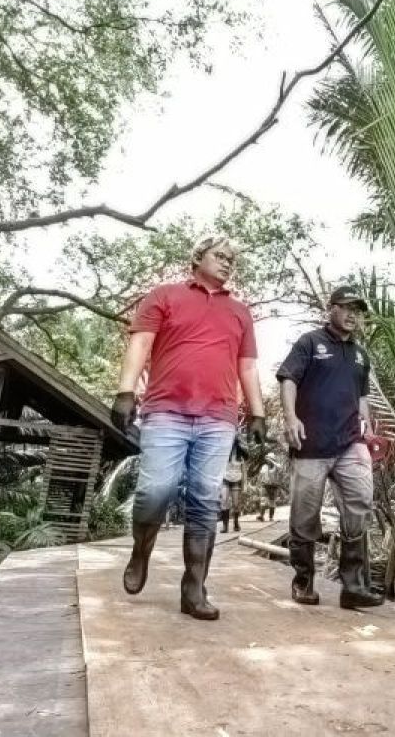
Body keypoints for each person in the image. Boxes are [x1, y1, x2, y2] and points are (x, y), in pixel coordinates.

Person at [109, 235, 267, 621]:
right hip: (166, 411)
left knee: (205, 499)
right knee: (156, 489)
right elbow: (141, 344)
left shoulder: (240, 312)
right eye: (220, 255)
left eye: (232, 259)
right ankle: (141, 550)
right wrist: (126, 391)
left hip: (218, 418)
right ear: (198, 258)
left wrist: (258, 413)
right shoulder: (164, 296)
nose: (227, 263)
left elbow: (247, 367)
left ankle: (194, 587)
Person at [276, 285, 384, 609]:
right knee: (305, 515)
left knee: (360, 502)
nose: (354, 315)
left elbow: (361, 397)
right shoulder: (310, 342)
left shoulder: (360, 354)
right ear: (332, 308)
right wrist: (291, 418)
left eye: (358, 310)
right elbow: (288, 379)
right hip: (311, 444)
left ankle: (353, 587)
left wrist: (367, 430)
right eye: (347, 307)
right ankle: (304, 581)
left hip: (351, 443)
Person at [220, 439, 246, 533]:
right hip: (225, 479)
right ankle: (225, 526)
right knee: (224, 501)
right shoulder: (224, 453)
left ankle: (236, 522)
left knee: (236, 504)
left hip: (237, 480)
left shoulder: (241, 456)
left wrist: (244, 485)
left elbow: (244, 472)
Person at [256, 452, 282, 521]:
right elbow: (261, 475)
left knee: (272, 502)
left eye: (269, 459)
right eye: (268, 459)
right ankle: (261, 516)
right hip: (265, 485)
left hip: (274, 486)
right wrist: (259, 483)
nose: (268, 460)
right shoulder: (264, 466)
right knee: (263, 500)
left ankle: (271, 517)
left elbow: (279, 467)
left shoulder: (276, 466)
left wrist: (272, 461)